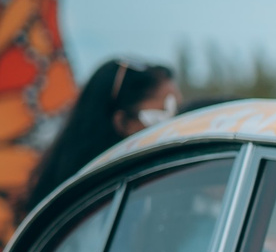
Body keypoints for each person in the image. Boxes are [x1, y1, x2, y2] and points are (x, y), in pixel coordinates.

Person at [25, 59, 177, 211]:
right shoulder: (111, 203)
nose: (176, 127)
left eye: (180, 115)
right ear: (124, 123)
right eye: (164, 116)